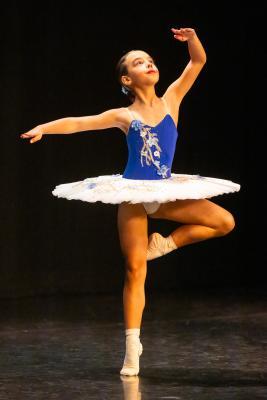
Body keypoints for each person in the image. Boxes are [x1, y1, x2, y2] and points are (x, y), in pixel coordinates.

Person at [20, 27, 241, 376]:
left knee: (224, 222)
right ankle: (132, 345)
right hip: (134, 197)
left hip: (164, 191)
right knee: (135, 269)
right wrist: (44, 128)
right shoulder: (125, 116)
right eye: (140, 62)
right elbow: (80, 123)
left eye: (150, 60)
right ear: (128, 77)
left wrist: (193, 38)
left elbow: (198, 61)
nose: (149, 64)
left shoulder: (172, 100)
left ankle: (164, 244)